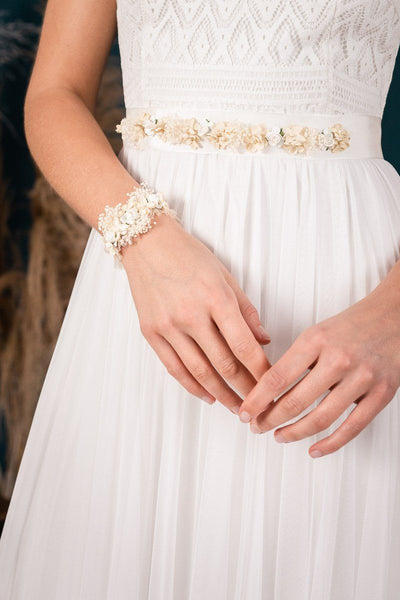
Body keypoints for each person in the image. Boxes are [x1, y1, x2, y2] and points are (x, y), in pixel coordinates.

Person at [1, 0, 400, 597]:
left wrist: (392, 317)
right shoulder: (146, 252)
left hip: (353, 294)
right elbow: (55, 94)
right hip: (147, 283)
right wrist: (145, 242)